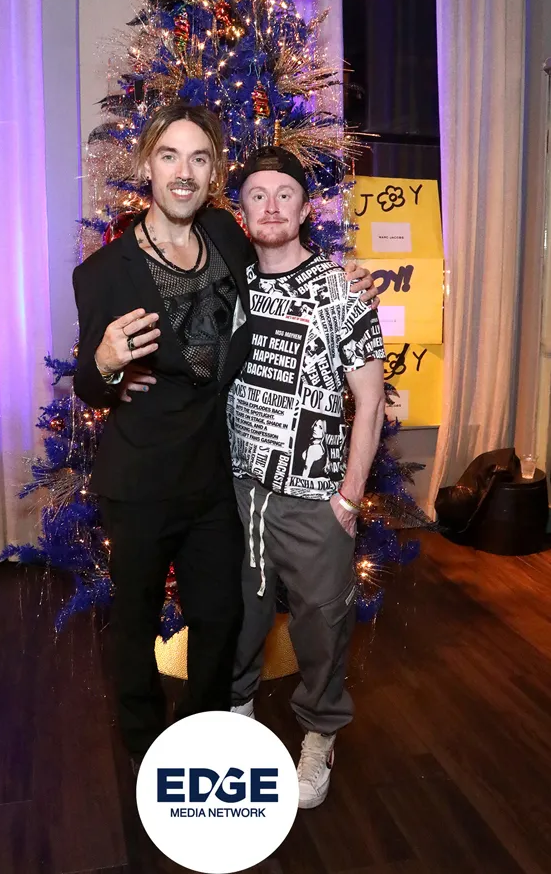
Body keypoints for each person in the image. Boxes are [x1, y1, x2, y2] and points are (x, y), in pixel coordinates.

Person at [72, 103, 376, 765]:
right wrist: (105, 364)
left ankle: (204, 739)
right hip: (142, 482)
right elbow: (89, 383)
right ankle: (147, 753)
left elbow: (286, 257)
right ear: (148, 166)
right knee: (135, 624)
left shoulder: (224, 235)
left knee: (220, 619)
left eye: (198, 158)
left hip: (215, 481)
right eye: (169, 156)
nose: (183, 172)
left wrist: (344, 276)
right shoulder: (103, 272)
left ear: (212, 174)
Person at [227, 145, 386, 810]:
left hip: (314, 499)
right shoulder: (228, 285)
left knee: (321, 624)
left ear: (303, 208)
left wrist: (348, 498)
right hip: (238, 492)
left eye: (284, 194)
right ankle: (237, 707)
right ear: (240, 211)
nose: (271, 207)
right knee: (239, 613)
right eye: (256, 195)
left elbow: (370, 401)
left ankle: (319, 734)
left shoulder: (341, 291)